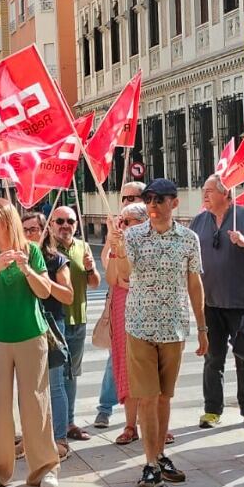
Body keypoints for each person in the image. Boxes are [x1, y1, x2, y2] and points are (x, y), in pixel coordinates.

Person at [110, 178, 205, 487]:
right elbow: (123, 274)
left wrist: (203, 329)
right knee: (147, 397)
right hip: (139, 325)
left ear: (174, 203)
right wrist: (117, 246)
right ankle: (150, 464)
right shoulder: (134, 235)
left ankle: (161, 456)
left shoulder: (189, 239)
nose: (152, 203)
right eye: (148, 198)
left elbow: (194, 284)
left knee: (165, 396)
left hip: (174, 326)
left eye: (159, 198)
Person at [0, 198, 59, 487]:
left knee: (35, 402)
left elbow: (45, 291)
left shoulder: (32, 250)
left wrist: (27, 270)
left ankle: (45, 467)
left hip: (30, 335)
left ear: (7, 220)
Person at [188, 175, 244, 428]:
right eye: (204, 191)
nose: (205, 195)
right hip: (209, 303)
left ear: (226, 193)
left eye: (210, 190)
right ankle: (212, 409)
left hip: (241, 300)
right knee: (213, 358)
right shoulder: (199, 221)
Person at [26, 210, 78, 459]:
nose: (29, 235)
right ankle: (31, 439)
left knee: (55, 384)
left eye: (34, 229)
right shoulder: (14, 257)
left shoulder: (56, 259)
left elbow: (68, 295)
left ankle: (60, 440)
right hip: (23, 326)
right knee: (29, 388)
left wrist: (40, 279)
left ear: (44, 231)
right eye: (24, 230)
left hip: (50, 326)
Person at [92, 181, 144, 430]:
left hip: (147, 312)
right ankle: (107, 409)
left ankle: (149, 421)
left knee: (145, 366)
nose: (127, 201)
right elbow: (110, 270)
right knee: (119, 360)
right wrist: (115, 241)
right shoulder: (118, 231)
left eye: (133, 197)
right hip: (120, 305)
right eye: (124, 197)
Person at [45, 206, 99, 443]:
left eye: (70, 221)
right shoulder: (46, 250)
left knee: (72, 375)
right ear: (51, 224)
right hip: (55, 322)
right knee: (54, 377)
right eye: (60, 221)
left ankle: (69, 422)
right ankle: (54, 424)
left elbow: (95, 283)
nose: (65, 225)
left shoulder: (83, 247)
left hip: (78, 320)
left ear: (77, 224)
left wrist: (91, 267)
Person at [102, 201, 148, 445]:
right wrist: (114, 246)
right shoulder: (117, 244)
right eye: (120, 221)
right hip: (123, 309)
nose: (121, 226)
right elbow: (114, 278)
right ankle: (130, 425)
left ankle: (155, 423)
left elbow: (133, 278)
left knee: (151, 368)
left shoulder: (152, 242)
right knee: (126, 366)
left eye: (126, 222)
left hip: (149, 312)